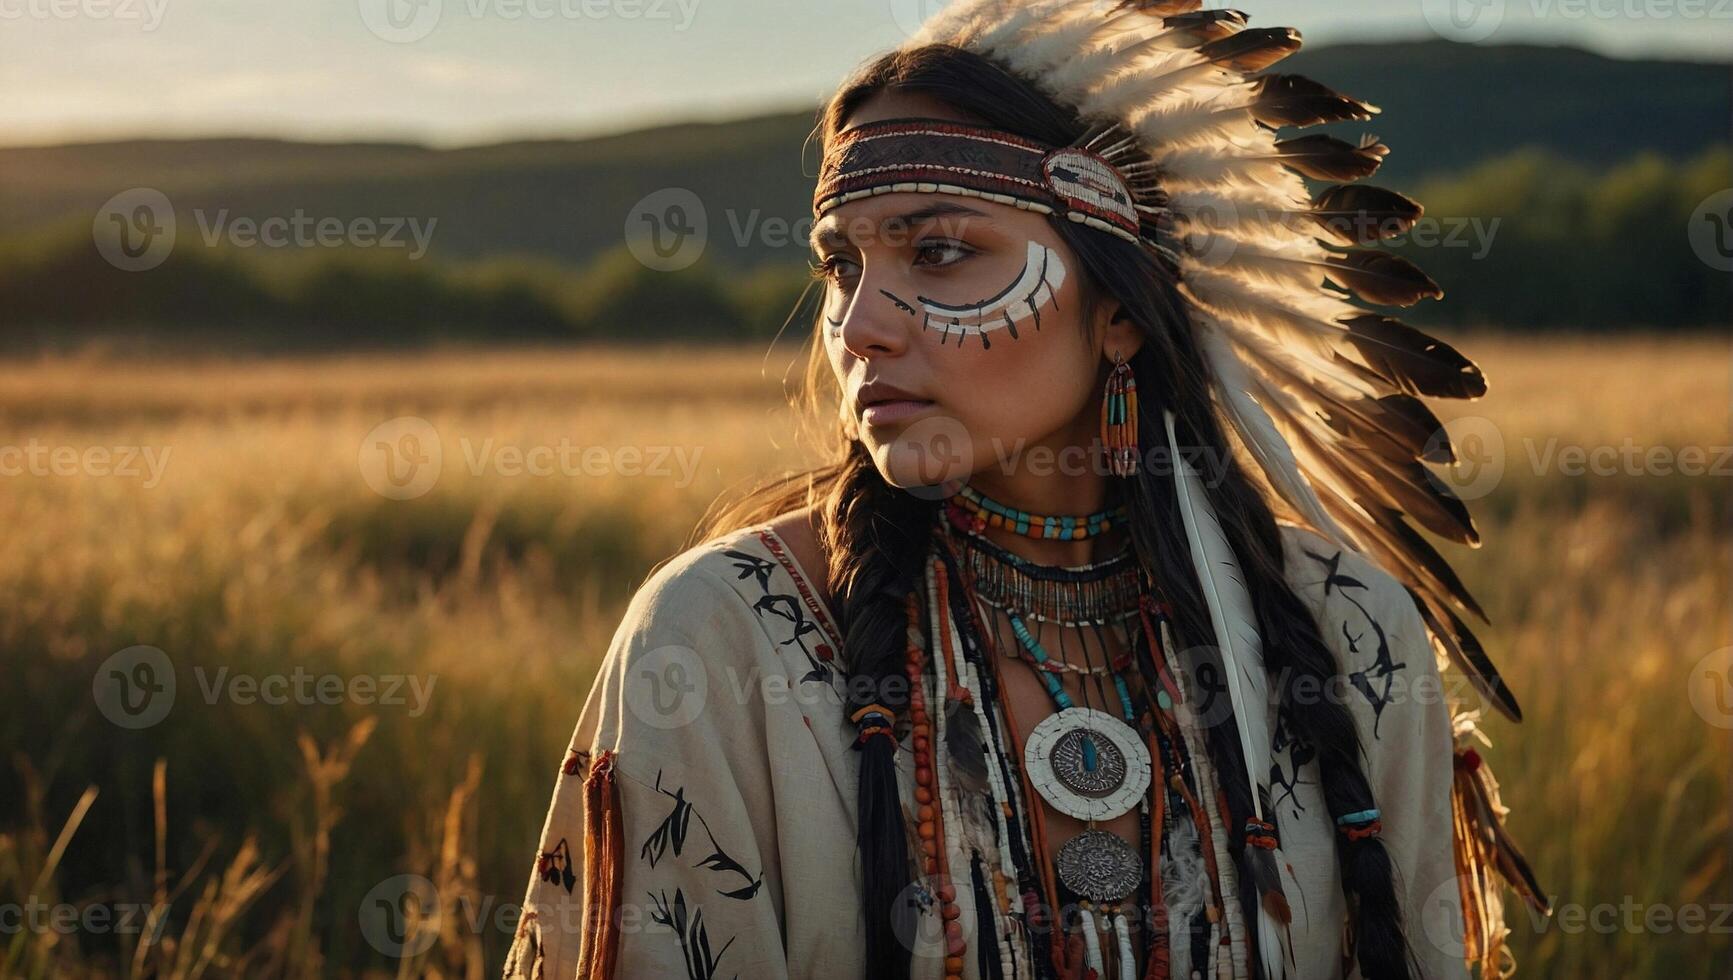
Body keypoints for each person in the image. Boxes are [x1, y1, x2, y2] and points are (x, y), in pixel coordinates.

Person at [503, 3, 1542, 978]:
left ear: (1119, 311)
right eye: (839, 268)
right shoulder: (719, 636)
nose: (861, 323)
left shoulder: (1345, 628)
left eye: (942, 251)